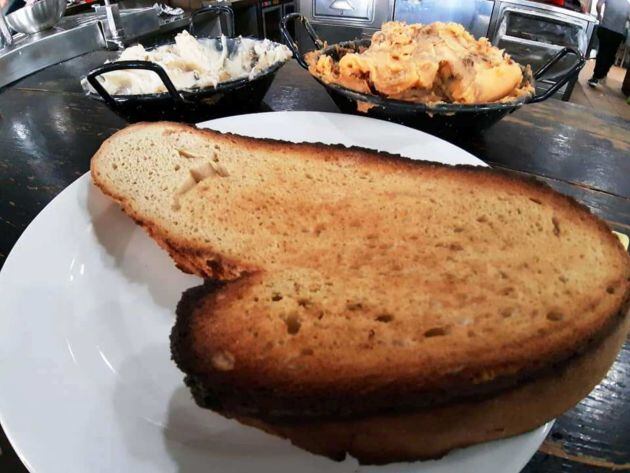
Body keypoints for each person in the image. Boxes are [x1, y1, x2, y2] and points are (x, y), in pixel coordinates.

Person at [588, 0, 630, 87]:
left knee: (602, 52)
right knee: (611, 54)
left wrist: (599, 15)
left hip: (606, 28)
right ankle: (602, 74)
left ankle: (596, 77)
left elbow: (599, 5)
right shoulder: (627, 4)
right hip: (618, 33)